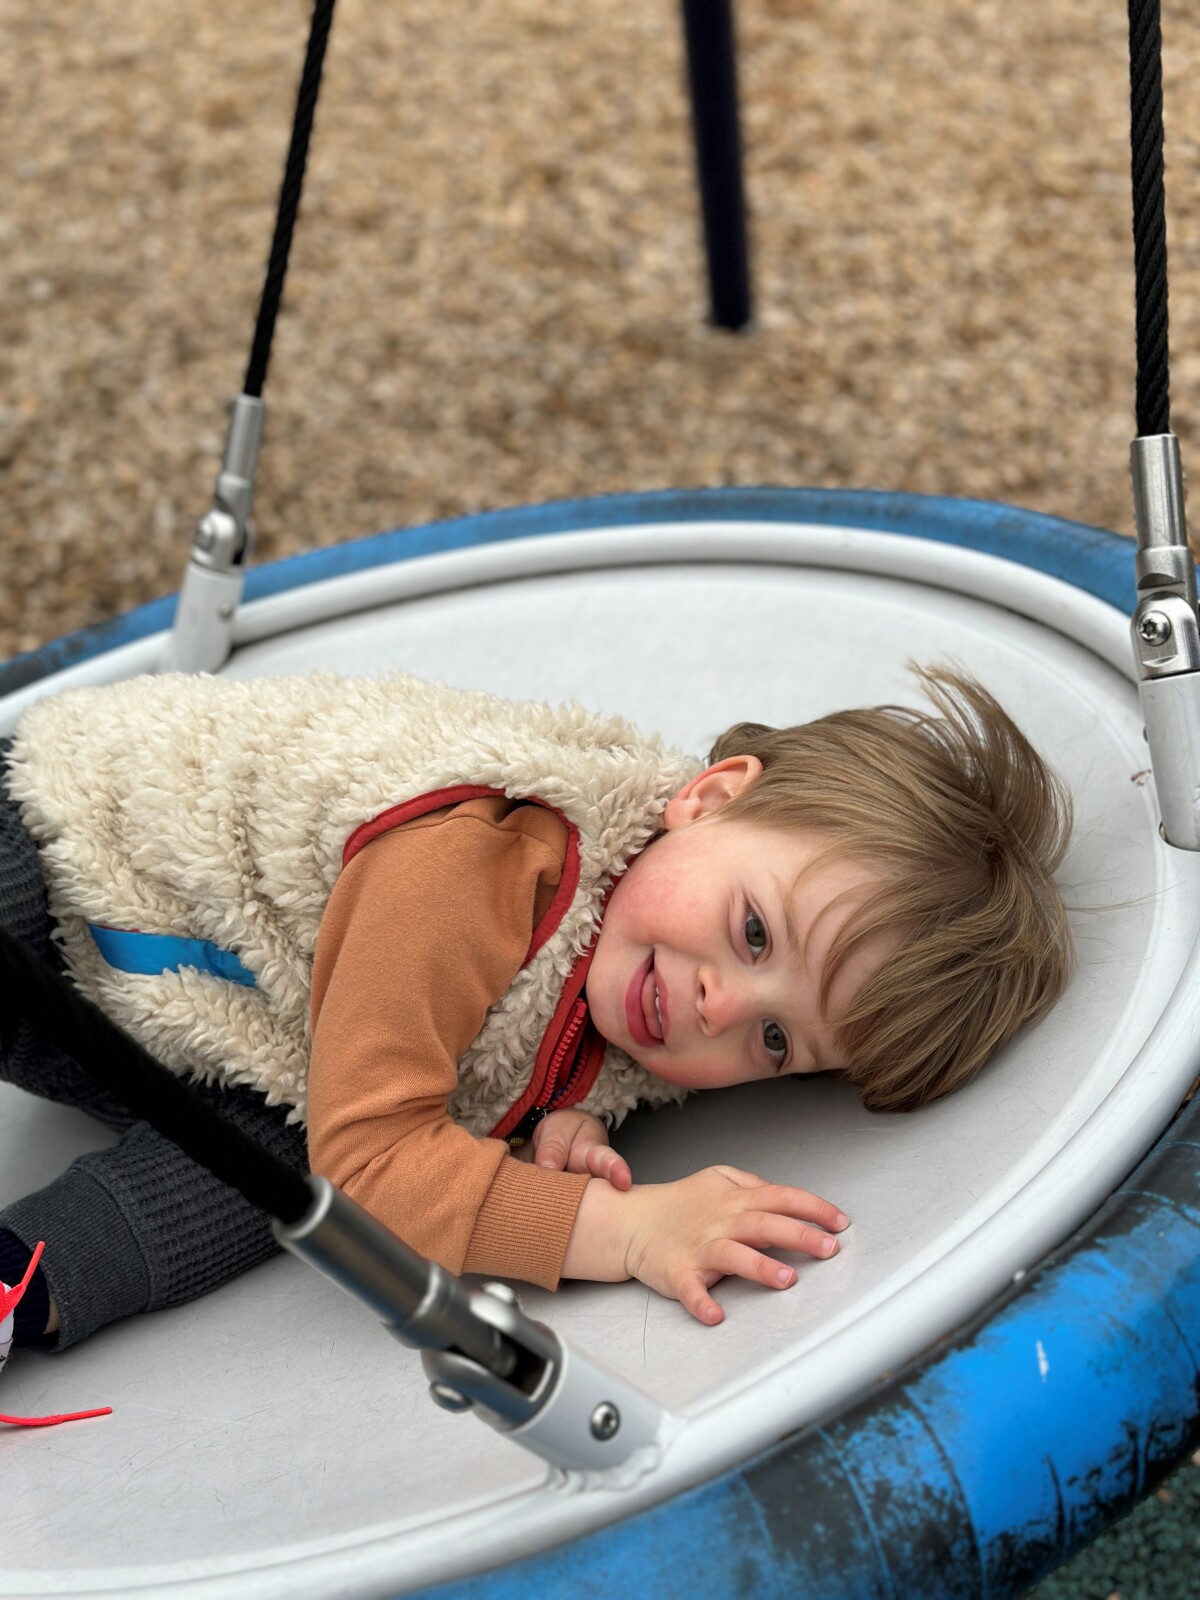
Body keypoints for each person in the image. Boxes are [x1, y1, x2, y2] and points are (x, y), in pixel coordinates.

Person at [0, 663, 1072, 1371]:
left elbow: (497, 1060)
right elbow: (371, 1162)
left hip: (181, 1011)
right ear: (707, 799)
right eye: (754, 932)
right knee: (358, 1168)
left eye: (777, 1040)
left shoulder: (642, 964)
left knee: (269, 1171)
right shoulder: (474, 860)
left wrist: (551, 1127)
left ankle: (24, 1274)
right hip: (60, 860)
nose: (720, 1005)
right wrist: (622, 1229)